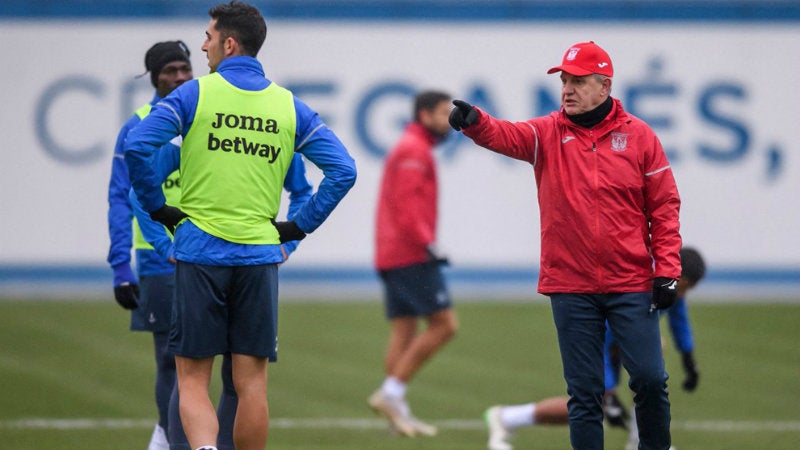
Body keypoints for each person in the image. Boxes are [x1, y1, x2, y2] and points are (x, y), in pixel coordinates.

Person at [124, 2, 357, 450]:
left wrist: (157, 206)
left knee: (191, 377)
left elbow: (137, 146)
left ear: (229, 43)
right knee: (251, 383)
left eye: (208, 36)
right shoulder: (290, 107)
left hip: (200, 254)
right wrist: (297, 227)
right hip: (259, 257)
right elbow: (344, 171)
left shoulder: (195, 95)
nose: (203, 44)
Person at [449, 41, 682, 450]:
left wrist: (667, 270)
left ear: (604, 87)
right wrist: (474, 121)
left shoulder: (641, 137)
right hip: (571, 285)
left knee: (649, 379)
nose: (567, 89)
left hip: (631, 282)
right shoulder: (546, 134)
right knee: (585, 393)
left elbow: (664, 208)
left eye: (578, 81)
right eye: (564, 81)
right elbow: (505, 135)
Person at [130, 145, 313, 450]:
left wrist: (288, 244)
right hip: (227, 263)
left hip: (225, 263)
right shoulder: (198, 128)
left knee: (210, 376)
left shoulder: (240, 123)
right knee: (203, 375)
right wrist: (164, 245)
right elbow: (140, 188)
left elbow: (302, 191)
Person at [482, 247, 706, 450]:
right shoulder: (642, 286)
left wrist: (688, 357)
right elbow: (604, 338)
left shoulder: (670, 288)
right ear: (678, 276)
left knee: (594, 404)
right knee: (590, 404)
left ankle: (508, 418)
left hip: (622, 346)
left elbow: (679, 320)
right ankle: (507, 418)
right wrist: (608, 393)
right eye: (684, 286)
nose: (683, 295)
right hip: (602, 343)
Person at [106, 39, 193, 450]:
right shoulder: (137, 127)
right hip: (158, 259)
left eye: (184, 69)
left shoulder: (207, 119)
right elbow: (119, 198)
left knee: (207, 359)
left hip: (206, 253)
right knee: (168, 359)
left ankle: (176, 435)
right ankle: (168, 432)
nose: (178, 77)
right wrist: (120, 266)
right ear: (153, 76)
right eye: (169, 70)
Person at [368, 91, 458, 438]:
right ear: (424, 115)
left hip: (393, 253)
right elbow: (407, 207)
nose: (447, 120)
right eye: (442, 113)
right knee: (445, 325)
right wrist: (428, 244)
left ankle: (395, 414)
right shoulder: (413, 150)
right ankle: (391, 394)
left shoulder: (411, 147)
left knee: (404, 330)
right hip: (409, 254)